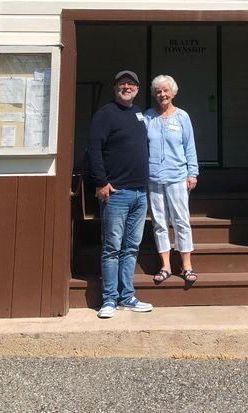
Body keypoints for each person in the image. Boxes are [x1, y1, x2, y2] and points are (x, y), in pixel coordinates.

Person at [87, 70, 153, 318]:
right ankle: (109, 300)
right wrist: (101, 182)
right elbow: (94, 149)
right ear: (115, 88)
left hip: (139, 192)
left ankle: (127, 297)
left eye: (131, 84)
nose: (127, 87)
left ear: (137, 88)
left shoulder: (138, 114)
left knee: (131, 247)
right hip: (116, 193)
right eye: (122, 84)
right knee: (112, 247)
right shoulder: (105, 114)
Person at [144, 74, 199, 287]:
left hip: (177, 176)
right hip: (154, 177)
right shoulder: (148, 117)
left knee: (181, 221)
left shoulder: (182, 117)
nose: (162, 94)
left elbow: (189, 146)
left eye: (165, 90)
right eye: (158, 91)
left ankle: (186, 265)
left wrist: (192, 173)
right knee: (159, 222)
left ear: (173, 92)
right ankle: (165, 265)